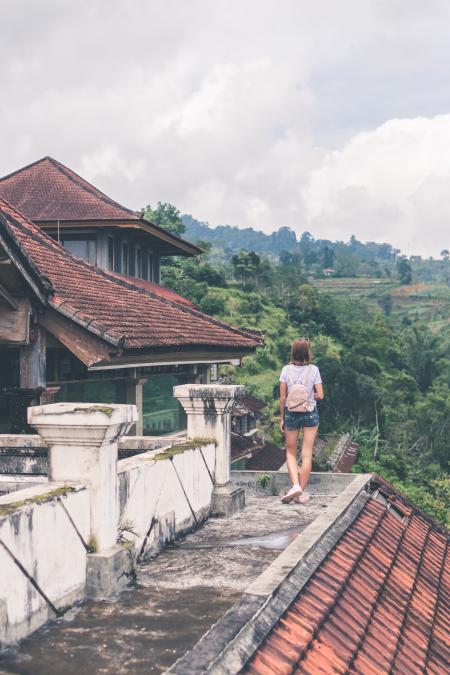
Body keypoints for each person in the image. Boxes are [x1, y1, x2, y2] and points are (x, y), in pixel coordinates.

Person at [279, 337, 324, 503]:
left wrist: (282, 418)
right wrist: (308, 395)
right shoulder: (314, 370)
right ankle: (301, 493)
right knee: (306, 454)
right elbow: (321, 395)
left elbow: (283, 398)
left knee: (290, 452)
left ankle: (295, 486)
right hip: (310, 412)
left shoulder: (286, 370)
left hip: (291, 413)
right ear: (307, 352)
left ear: (293, 352)